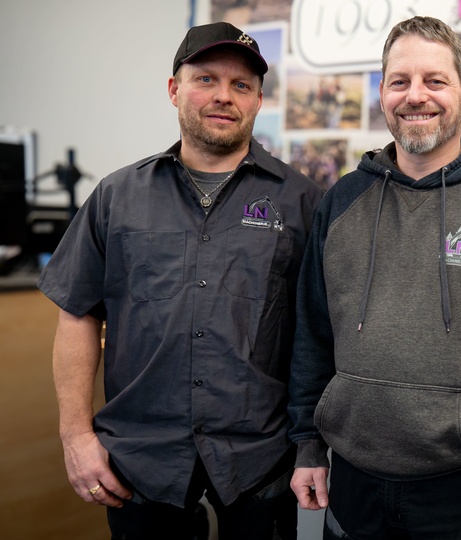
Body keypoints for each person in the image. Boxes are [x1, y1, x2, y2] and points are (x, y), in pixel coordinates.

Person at [38, 21, 325, 539]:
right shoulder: (116, 196)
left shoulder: (302, 202)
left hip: (262, 462)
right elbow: (76, 313)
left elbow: (319, 337)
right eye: (206, 79)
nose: (223, 96)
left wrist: (310, 445)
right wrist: (76, 436)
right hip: (141, 462)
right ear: (174, 89)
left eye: (241, 85)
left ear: (259, 100)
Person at [287, 15, 461, 540]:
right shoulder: (341, 202)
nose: (417, 96)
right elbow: (312, 336)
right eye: (400, 81)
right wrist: (306, 444)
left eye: (434, 81)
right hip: (352, 483)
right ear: (382, 93)